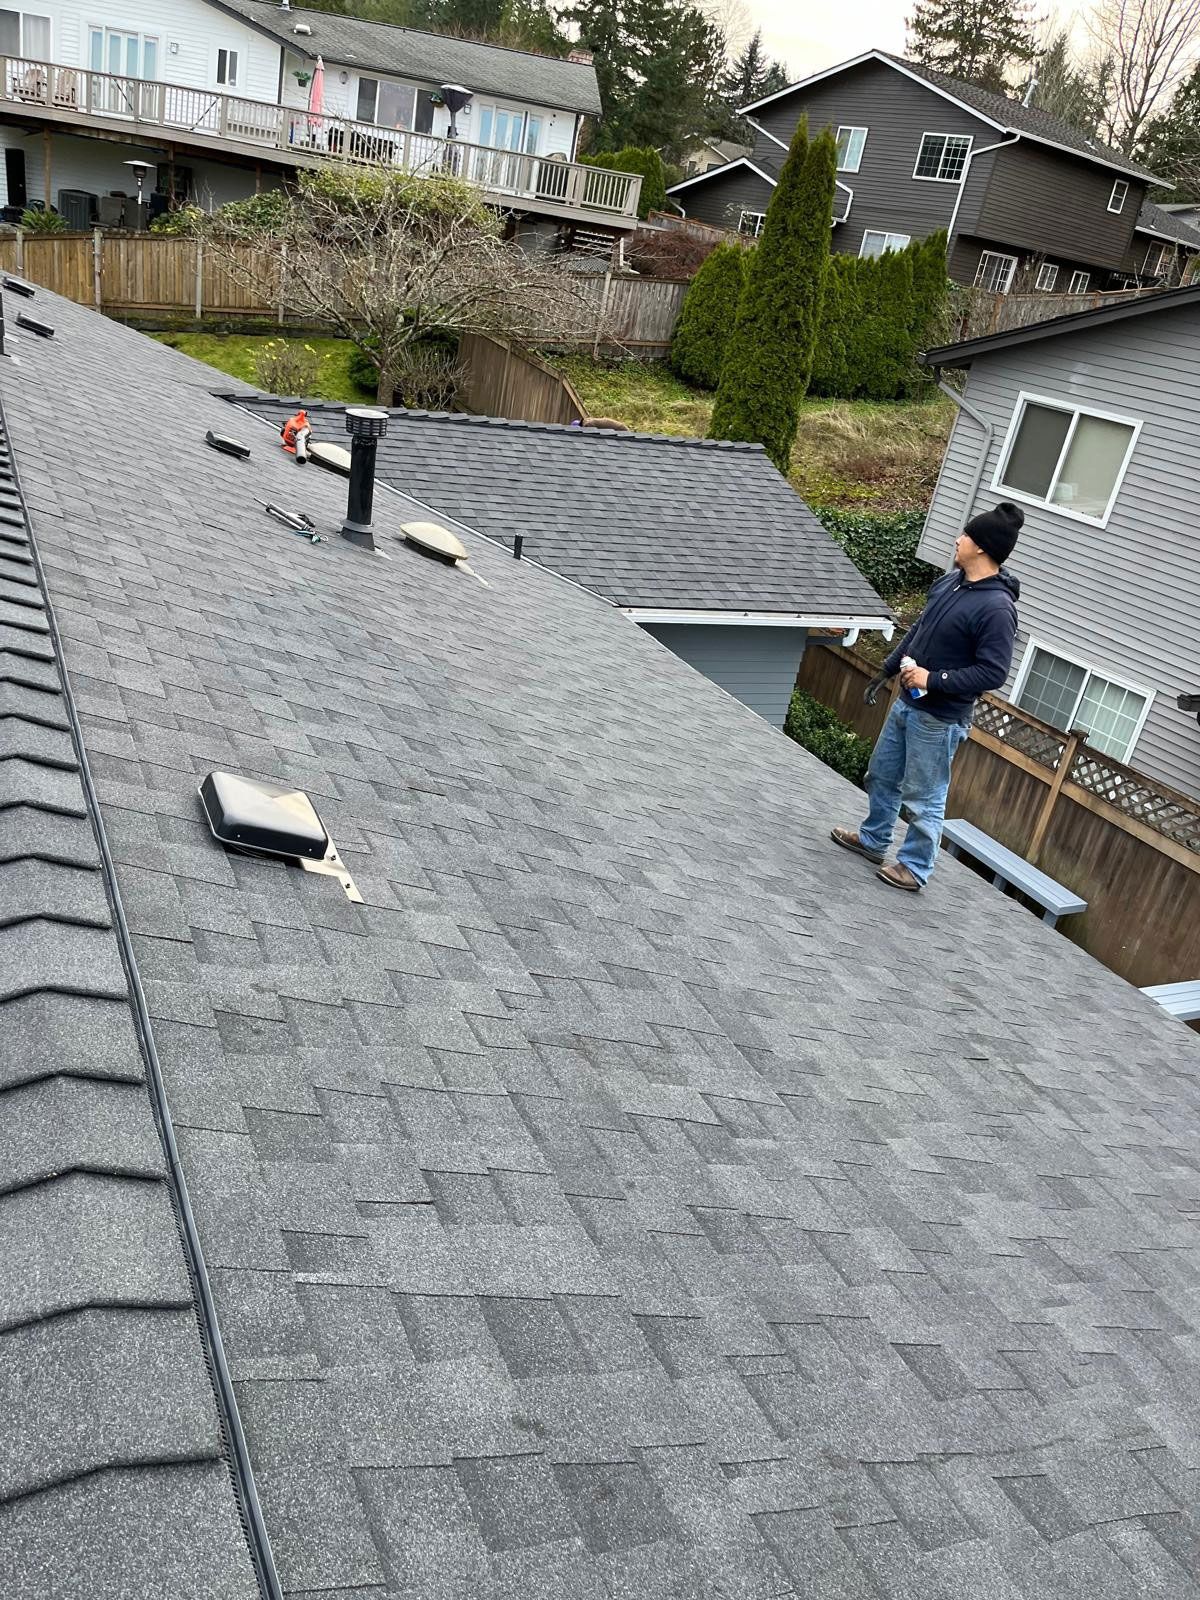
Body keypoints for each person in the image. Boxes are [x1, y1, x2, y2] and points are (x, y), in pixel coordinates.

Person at [830, 502, 1023, 892]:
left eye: (966, 535)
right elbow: (920, 628)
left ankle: (914, 868)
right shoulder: (950, 583)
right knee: (881, 776)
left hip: (940, 718)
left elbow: (994, 672)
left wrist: (933, 679)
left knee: (924, 796)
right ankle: (873, 840)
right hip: (908, 704)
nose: (958, 539)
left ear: (983, 547)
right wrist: (887, 668)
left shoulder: (997, 608)